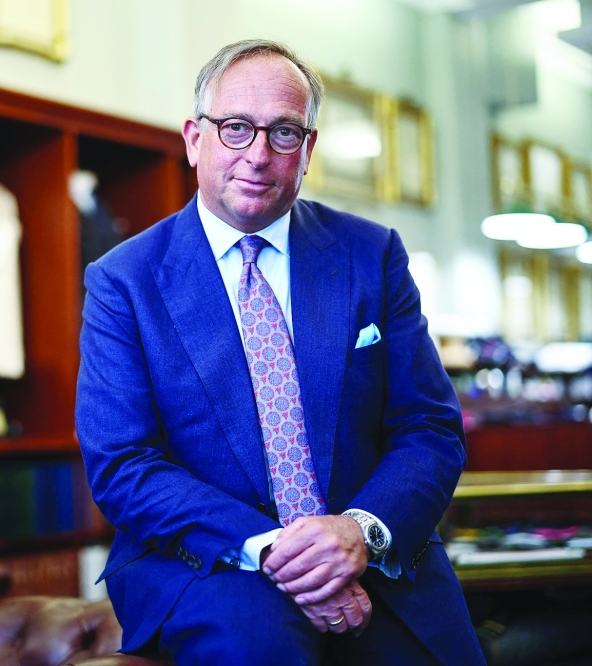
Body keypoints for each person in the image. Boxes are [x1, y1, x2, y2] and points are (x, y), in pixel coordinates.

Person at [75, 39, 485, 665]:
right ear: (194, 138)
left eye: (285, 133)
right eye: (236, 128)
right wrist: (274, 550)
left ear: (309, 148)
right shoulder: (124, 280)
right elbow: (123, 463)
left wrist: (360, 531)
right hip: (208, 560)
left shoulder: (371, 255)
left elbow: (428, 428)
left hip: (368, 550)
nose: (259, 156)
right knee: (260, 645)